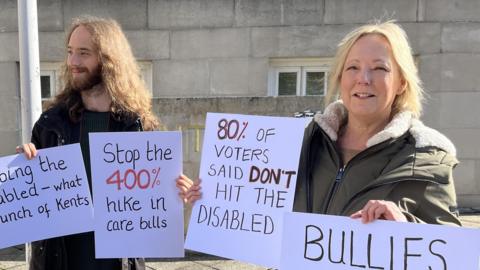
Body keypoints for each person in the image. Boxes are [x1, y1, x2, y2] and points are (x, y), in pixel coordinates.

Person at [16, 16, 201, 270]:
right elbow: (33, 204)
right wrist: (24, 166)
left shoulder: (138, 126)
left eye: (83, 53)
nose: (73, 62)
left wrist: (181, 192)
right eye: (70, 52)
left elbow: (156, 204)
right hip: (60, 262)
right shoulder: (50, 124)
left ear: (108, 60)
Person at [293, 21, 461, 226]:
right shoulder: (300, 143)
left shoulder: (427, 160)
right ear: (340, 78)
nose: (363, 79)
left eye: (379, 68)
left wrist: (406, 227)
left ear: (401, 83)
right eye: (353, 67)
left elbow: (451, 249)